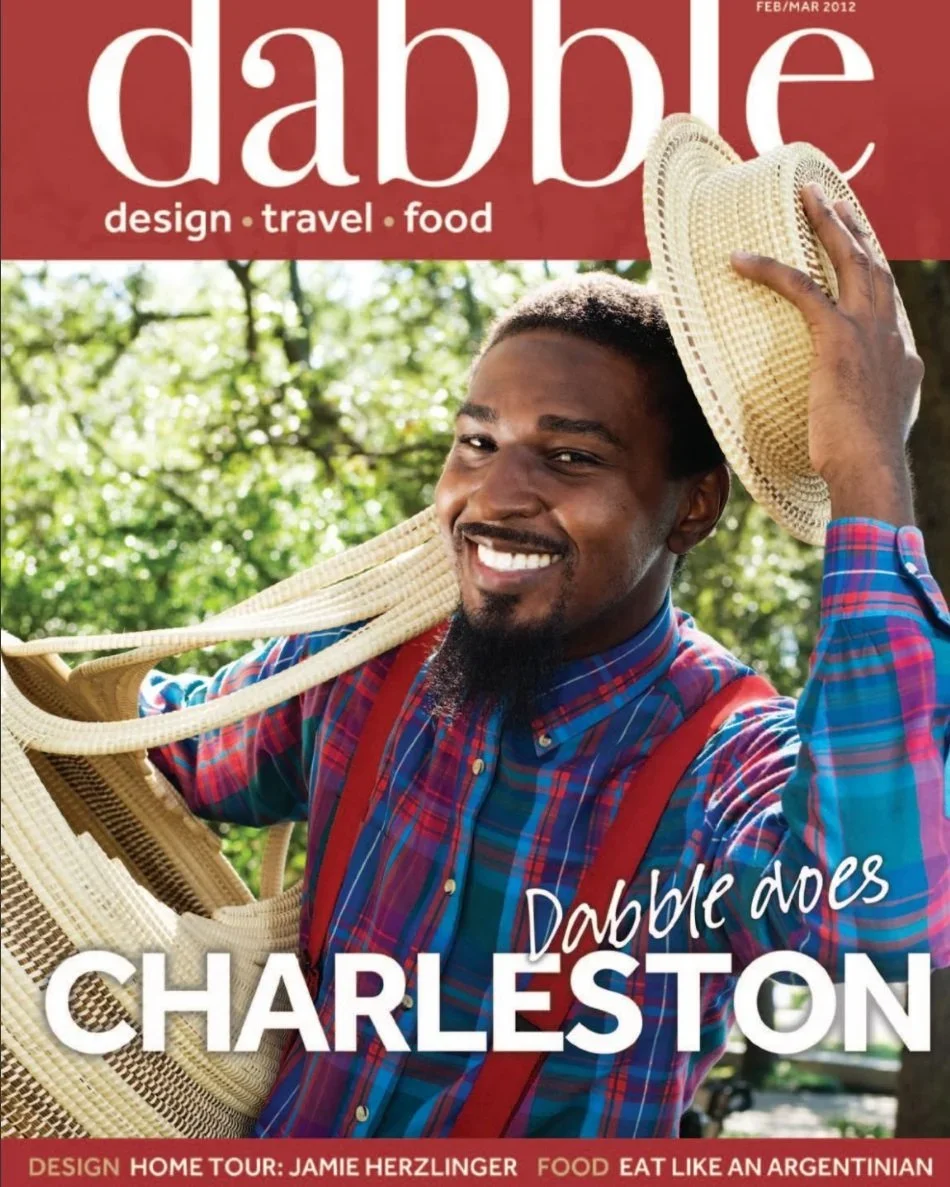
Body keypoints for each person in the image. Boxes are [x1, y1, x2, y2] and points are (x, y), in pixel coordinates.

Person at [140, 186, 950, 1138]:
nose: (496, 493)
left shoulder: (724, 763)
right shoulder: (361, 667)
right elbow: (161, 742)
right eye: (477, 442)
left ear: (691, 508)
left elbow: (880, 919)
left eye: (569, 458)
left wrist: (867, 477)